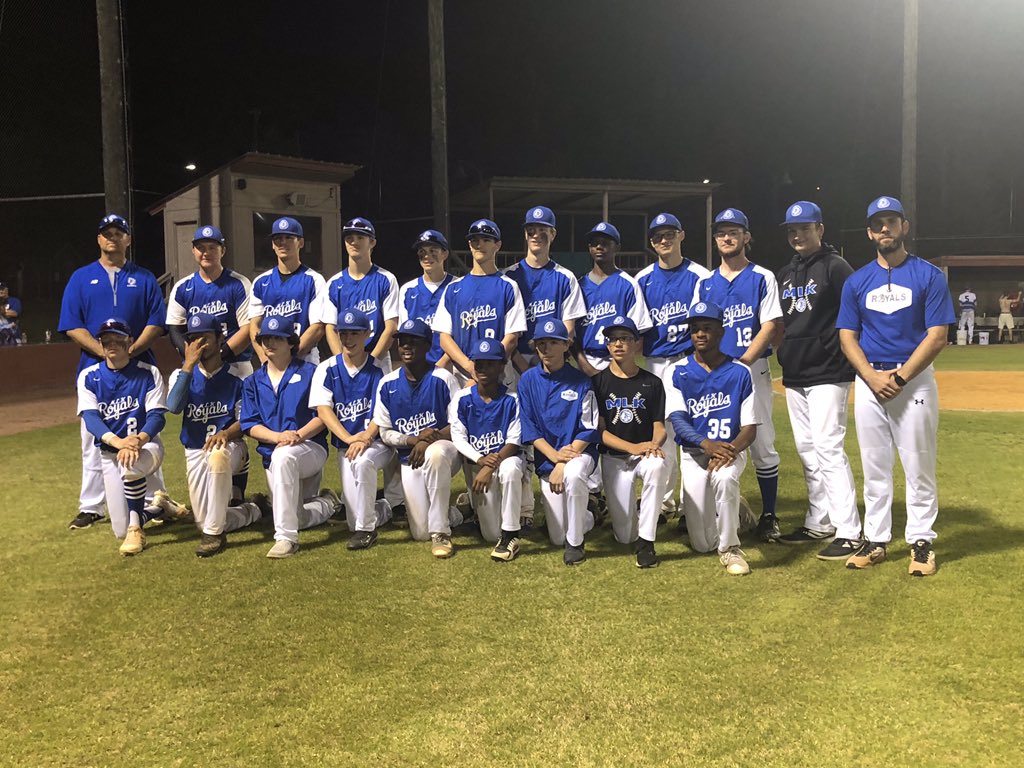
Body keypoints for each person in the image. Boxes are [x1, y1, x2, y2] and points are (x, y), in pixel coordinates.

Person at [837, 195, 954, 577]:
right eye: (877, 223)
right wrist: (871, 377)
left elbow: (937, 335)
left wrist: (901, 377)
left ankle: (921, 541)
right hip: (870, 381)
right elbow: (847, 336)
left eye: (891, 221)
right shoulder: (857, 280)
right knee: (874, 466)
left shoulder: (929, 275)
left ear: (904, 226)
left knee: (918, 464)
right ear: (870, 233)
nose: (884, 228)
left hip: (913, 381)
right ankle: (876, 539)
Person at [59, 214, 171, 531]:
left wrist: (130, 351)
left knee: (146, 431)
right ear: (98, 239)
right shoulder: (81, 278)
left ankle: (154, 498)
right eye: (106, 233)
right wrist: (103, 352)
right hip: (94, 367)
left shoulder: (144, 277)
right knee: (92, 437)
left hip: (139, 366)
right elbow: (71, 324)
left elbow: (156, 321)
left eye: (119, 233)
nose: (112, 238)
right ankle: (92, 506)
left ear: (128, 240)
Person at [774, 201, 862, 560]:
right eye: (792, 230)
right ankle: (819, 520)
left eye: (805, 228)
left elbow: (856, 311)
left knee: (828, 447)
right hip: (795, 373)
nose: (798, 235)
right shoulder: (784, 274)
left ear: (820, 230)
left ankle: (849, 530)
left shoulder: (836, 267)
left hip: (828, 370)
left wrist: (841, 350)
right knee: (808, 450)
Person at [696, 208, 783, 541]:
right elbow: (698, 328)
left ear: (747, 237)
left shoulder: (762, 276)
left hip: (751, 370)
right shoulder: (705, 282)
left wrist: (743, 361)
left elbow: (770, 324)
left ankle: (769, 515)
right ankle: (712, 510)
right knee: (711, 438)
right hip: (713, 374)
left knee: (762, 443)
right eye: (720, 233)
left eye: (733, 232)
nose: (726, 238)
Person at [663, 302, 758, 575]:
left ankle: (731, 549)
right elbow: (678, 421)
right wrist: (707, 445)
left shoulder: (740, 371)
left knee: (725, 477)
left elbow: (750, 427)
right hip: (694, 454)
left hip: (731, 450)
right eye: (694, 330)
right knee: (702, 543)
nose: (700, 334)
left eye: (707, 328)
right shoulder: (678, 371)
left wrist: (727, 451)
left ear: (721, 331)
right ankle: (737, 511)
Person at [165, 224, 254, 505]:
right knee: (205, 419)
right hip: (202, 365)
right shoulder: (184, 287)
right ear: (193, 251)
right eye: (201, 247)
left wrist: (221, 354)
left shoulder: (237, 283)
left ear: (222, 251)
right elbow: (174, 329)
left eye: (212, 247)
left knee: (239, 429)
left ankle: (238, 491)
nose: (206, 252)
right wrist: (194, 358)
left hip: (237, 364)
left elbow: (248, 326)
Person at [165, 313, 262, 558]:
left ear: (220, 339)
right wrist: (187, 365)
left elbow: (247, 420)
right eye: (193, 339)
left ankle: (214, 536)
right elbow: (174, 406)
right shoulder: (181, 375)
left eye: (205, 338)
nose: (199, 344)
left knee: (218, 457)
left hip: (231, 446)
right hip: (195, 448)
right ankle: (253, 510)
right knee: (204, 519)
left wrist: (227, 433)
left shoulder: (238, 376)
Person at [635, 212, 711, 516]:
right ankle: (665, 502)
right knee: (660, 433)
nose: (663, 240)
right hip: (655, 363)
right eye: (657, 237)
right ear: (652, 243)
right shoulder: (642, 279)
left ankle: (692, 503)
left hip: (687, 360)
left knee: (691, 432)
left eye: (669, 234)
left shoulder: (700, 275)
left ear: (681, 235)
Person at [240, 316, 334, 558]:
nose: (270, 342)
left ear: (291, 343)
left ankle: (285, 539)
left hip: (310, 447)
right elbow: (249, 424)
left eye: (277, 338)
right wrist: (278, 436)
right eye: (265, 338)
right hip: (273, 452)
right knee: (296, 515)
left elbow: (324, 415)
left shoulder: (311, 372)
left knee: (284, 459)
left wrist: (297, 436)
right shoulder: (252, 381)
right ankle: (328, 504)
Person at [76, 318, 168, 556]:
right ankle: (158, 507)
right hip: (110, 453)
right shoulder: (89, 376)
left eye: (118, 338)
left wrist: (137, 441)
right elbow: (91, 419)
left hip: (147, 448)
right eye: (106, 339)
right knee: (119, 529)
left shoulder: (148, 373)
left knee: (131, 462)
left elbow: (157, 417)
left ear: (130, 342)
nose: (112, 343)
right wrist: (119, 443)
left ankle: (136, 528)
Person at [373, 319, 464, 558]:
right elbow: (385, 433)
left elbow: (458, 425)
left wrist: (429, 439)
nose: (406, 346)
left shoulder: (443, 378)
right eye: (402, 341)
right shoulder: (387, 384)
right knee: (419, 532)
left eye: (414, 341)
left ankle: (441, 532)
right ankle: (454, 514)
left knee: (435, 453)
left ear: (427, 345)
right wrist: (413, 440)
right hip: (409, 458)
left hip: (445, 453)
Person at [309, 309, 395, 551]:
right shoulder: (326, 369)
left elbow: (383, 412)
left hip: (377, 444)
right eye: (343, 333)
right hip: (346, 445)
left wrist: (365, 438)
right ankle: (385, 506)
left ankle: (367, 530)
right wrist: (349, 438)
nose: (348, 339)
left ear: (368, 334)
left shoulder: (378, 370)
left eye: (355, 333)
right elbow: (324, 410)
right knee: (351, 519)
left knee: (364, 462)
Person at [517, 319, 600, 565]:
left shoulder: (582, 380)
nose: (547, 348)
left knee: (574, 475)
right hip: (548, 460)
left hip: (579, 454)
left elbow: (589, 427)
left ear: (566, 346)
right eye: (541, 343)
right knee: (555, 536)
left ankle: (576, 545)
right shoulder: (528, 380)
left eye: (554, 342)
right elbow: (528, 428)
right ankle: (588, 514)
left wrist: (564, 463)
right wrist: (554, 459)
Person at [591, 316, 668, 568]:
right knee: (624, 536)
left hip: (643, 456)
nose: (618, 344)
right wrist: (632, 447)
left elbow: (659, 427)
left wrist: (654, 445)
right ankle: (635, 521)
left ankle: (647, 543)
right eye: (613, 339)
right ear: (608, 346)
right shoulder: (599, 382)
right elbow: (600, 432)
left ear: (636, 343)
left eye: (625, 338)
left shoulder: (652, 382)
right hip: (614, 458)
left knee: (657, 467)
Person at [449, 339, 525, 562]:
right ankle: (470, 509)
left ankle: (511, 534)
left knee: (511, 468)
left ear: (502, 366)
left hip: (504, 460)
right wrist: (482, 460)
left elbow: (514, 441)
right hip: (478, 464)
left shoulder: (512, 399)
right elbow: (458, 438)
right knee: (490, 534)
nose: (482, 369)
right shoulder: (461, 399)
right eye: (478, 363)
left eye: (490, 364)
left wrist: (491, 463)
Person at [502, 206, 586, 373]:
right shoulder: (508, 277)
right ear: (525, 234)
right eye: (531, 230)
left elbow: (568, 330)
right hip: (513, 359)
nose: (536, 235)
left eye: (542, 230)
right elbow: (502, 328)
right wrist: (522, 364)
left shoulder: (565, 277)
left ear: (553, 235)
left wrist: (546, 361)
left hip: (552, 360)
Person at [575, 222, 653, 377]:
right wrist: (586, 367)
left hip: (618, 363)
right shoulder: (579, 286)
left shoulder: (628, 285)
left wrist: (617, 367)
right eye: (594, 243)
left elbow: (638, 334)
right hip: (585, 362)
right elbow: (571, 336)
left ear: (617, 247)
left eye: (605, 243)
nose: (599, 247)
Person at [248, 216, 327, 365]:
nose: (282, 242)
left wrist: (288, 358)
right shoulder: (260, 282)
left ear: (301, 243)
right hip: (270, 361)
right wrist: (265, 360)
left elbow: (317, 328)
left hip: (304, 359)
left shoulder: (314, 280)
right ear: (272, 244)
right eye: (278, 238)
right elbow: (254, 327)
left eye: (289, 237)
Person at [324, 217, 400, 372]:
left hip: (377, 359)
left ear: (372, 242)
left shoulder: (386, 279)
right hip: (345, 359)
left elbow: (391, 328)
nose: (354, 242)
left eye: (360, 237)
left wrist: (371, 362)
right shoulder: (334, 283)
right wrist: (343, 363)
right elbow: (330, 328)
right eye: (349, 238)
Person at [399, 229, 456, 369]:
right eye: (422, 252)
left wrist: (441, 365)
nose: (426, 256)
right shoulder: (407, 289)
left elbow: (460, 335)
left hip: (452, 366)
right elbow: (404, 335)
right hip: (418, 368)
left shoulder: (457, 286)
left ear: (445, 253)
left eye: (433, 251)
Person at [0, 281, 21, 346]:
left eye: (2, 289)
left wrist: (3, 311)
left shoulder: (14, 300)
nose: (0, 291)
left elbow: (14, 313)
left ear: (7, 289)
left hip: (13, 336)